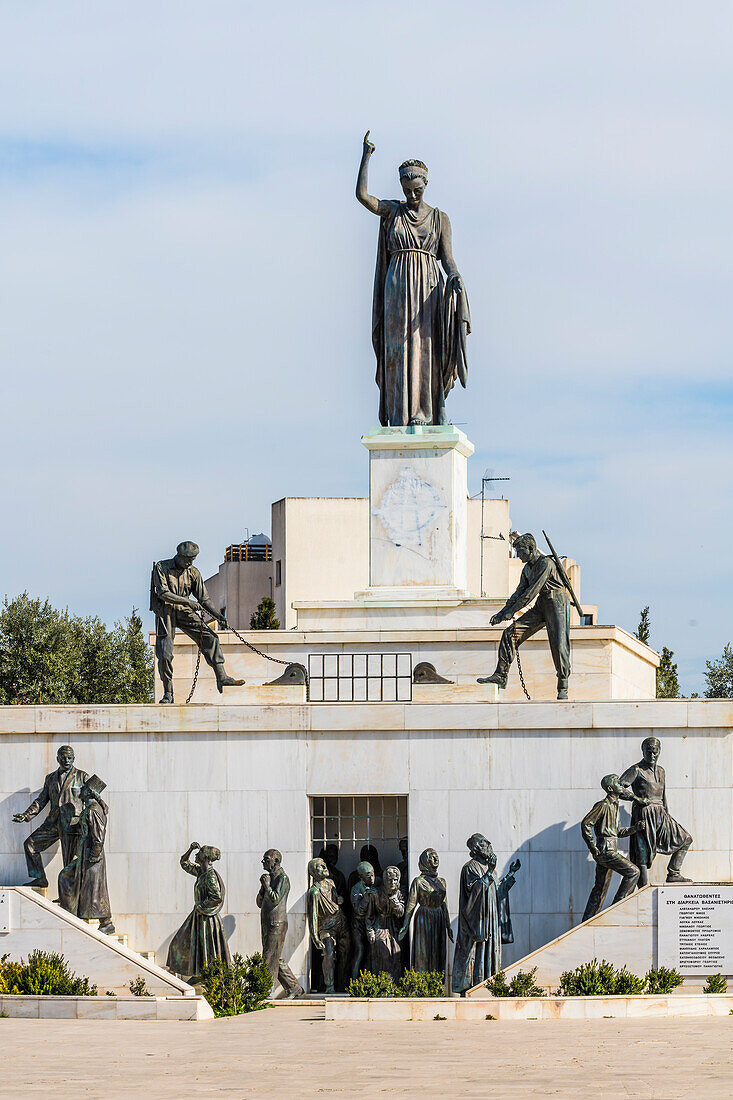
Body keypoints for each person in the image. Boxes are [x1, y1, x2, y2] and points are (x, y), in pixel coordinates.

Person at [356, 131, 470, 427]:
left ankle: (423, 411)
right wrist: (366, 158)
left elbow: (448, 258)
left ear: (425, 185)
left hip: (427, 288)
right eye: (407, 189)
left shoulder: (440, 218)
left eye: (417, 189)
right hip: (396, 286)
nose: (412, 195)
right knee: (398, 348)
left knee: (424, 349)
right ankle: (399, 412)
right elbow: (363, 197)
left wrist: (455, 275)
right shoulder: (393, 211)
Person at [478, 532, 571, 700]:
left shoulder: (546, 563)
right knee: (510, 634)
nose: (518, 555)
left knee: (559, 644)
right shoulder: (527, 569)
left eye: (520, 551)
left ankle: (562, 684)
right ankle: (501, 675)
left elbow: (530, 594)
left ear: (531, 548)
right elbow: (518, 593)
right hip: (542, 604)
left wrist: (510, 612)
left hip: (557, 603)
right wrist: (501, 613)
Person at [150, 541, 245, 703]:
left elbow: (204, 599)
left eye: (193, 560)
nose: (190, 563)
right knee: (165, 654)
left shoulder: (193, 572)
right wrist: (187, 602)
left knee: (211, 637)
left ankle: (221, 677)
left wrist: (218, 615)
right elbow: (163, 593)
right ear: (179, 556)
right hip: (165, 611)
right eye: (187, 559)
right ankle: (168, 692)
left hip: (184, 611)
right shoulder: (162, 567)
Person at [12, 745, 88, 887]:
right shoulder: (50, 778)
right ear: (57, 759)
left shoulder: (82, 776)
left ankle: (68, 895)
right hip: (53, 822)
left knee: (69, 861)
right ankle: (40, 878)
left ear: (74, 758)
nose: (66, 760)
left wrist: (87, 821)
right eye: (63, 757)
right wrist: (26, 815)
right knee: (30, 845)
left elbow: (91, 800)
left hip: (72, 824)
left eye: (69, 757)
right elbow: (41, 800)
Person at [620, 737, 693, 886]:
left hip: (661, 812)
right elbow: (618, 787)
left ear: (659, 752)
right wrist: (636, 799)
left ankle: (673, 872)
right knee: (642, 852)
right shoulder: (636, 769)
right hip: (644, 814)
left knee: (685, 839)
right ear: (643, 751)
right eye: (649, 752)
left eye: (655, 752)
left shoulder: (661, 771)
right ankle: (643, 888)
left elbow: (663, 794)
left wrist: (667, 812)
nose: (652, 755)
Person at [452, 834, 519, 995]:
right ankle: (475, 986)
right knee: (476, 954)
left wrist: (510, 874)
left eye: (488, 842)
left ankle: (490, 986)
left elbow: (497, 893)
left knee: (490, 954)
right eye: (483, 842)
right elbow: (474, 893)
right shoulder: (470, 868)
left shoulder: (493, 872)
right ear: (475, 848)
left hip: (491, 921)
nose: (489, 844)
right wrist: (490, 871)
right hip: (477, 922)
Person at [581, 774, 647, 921]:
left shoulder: (614, 806)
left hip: (609, 849)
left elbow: (617, 832)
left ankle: (587, 920)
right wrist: (592, 847)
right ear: (610, 788)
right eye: (617, 782)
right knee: (634, 872)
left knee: (600, 889)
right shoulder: (603, 805)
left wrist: (635, 828)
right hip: (606, 851)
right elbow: (586, 824)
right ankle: (616, 910)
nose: (621, 784)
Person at [57, 775, 115, 933]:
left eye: (83, 789)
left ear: (89, 792)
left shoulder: (93, 810)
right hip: (86, 854)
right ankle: (74, 912)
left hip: (92, 856)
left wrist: (94, 856)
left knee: (95, 889)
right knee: (70, 878)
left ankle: (106, 922)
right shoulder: (89, 809)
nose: (80, 791)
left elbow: (98, 836)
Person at [167, 842, 230, 981]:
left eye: (199, 853)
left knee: (205, 947)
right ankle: (201, 973)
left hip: (207, 918)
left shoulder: (210, 876)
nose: (196, 854)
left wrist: (201, 906)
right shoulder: (201, 872)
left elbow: (217, 897)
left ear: (206, 857)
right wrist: (190, 849)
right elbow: (184, 863)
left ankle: (204, 975)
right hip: (199, 916)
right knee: (178, 944)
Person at [256, 849, 303, 998]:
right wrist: (263, 887)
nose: (263, 862)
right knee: (276, 957)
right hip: (267, 922)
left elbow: (275, 899)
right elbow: (259, 902)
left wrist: (268, 886)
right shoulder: (269, 878)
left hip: (277, 923)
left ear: (276, 861)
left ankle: (266, 989)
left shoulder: (283, 878)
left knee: (269, 956)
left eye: (266, 859)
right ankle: (294, 988)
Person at [398, 848, 453, 974]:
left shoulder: (442, 881)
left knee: (438, 951)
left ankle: (437, 981)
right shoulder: (418, 881)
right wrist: (406, 925)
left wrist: (448, 925)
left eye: (436, 856)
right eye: (432, 856)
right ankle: (422, 982)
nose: (435, 858)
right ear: (425, 861)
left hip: (438, 917)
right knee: (424, 951)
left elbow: (445, 904)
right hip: (424, 917)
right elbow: (411, 904)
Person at [306, 857, 351, 994]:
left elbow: (336, 899)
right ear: (313, 872)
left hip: (341, 922)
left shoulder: (331, 883)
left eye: (324, 864)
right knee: (329, 954)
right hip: (326, 926)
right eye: (321, 866)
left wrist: (339, 900)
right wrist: (315, 937)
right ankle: (329, 986)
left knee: (346, 953)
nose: (325, 867)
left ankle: (343, 984)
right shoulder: (314, 892)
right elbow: (312, 916)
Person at [368, 866, 405, 979]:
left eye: (395, 880)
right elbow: (369, 915)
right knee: (384, 950)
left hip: (394, 926)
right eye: (389, 880)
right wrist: (370, 931)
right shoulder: (376, 894)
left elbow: (401, 913)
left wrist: (395, 901)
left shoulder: (399, 893)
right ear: (385, 880)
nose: (392, 882)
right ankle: (382, 983)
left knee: (396, 952)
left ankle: (394, 984)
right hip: (380, 925)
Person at [349, 861, 376, 979]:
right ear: (361, 877)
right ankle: (354, 981)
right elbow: (358, 910)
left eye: (373, 874)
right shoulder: (356, 889)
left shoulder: (378, 884)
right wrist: (366, 896)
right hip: (358, 924)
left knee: (373, 951)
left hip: (372, 923)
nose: (372, 877)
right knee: (359, 951)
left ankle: (372, 980)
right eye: (368, 875)